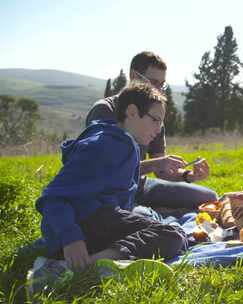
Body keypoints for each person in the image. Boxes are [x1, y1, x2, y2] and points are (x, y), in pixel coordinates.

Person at [36, 82, 188, 272]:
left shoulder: (121, 141)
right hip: (80, 231)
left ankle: (90, 261)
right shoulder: (103, 145)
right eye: (155, 120)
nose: (158, 130)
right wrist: (71, 239)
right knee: (171, 234)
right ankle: (81, 266)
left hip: (96, 220)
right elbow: (52, 196)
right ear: (132, 112)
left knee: (164, 229)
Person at [86, 51, 217, 210]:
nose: (159, 91)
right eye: (154, 82)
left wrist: (188, 175)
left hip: (141, 187)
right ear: (134, 76)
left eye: (162, 85)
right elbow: (103, 168)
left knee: (210, 198)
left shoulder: (154, 114)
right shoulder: (105, 110)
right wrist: (156, 164)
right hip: (109, 192)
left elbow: (162, 172)